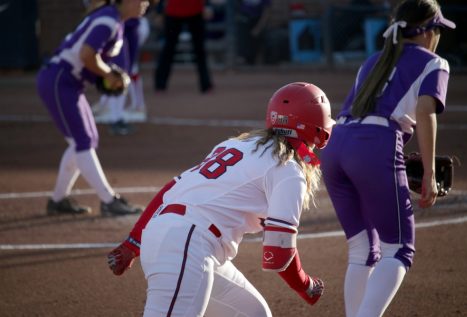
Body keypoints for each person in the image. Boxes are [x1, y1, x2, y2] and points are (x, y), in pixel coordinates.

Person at [107, 82, 336, 316]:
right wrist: (305, 285)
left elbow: (171, 189)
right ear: (317, 127)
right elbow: (277, 254)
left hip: (174, 237)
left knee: (253, 313)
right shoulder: (288, 169)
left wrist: (133, 243)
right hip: (188, 244)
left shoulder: (237, 144)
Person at [319, 1, 456, 316]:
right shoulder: (435, 63)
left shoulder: (372, 61)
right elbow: (424, 113)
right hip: (374, 145)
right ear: (424, 31)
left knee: (362, 249)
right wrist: (430, 172)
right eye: (437, 29)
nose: (438, 36)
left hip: (336, 145)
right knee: (398, 248)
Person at [36, 0, 151, 216]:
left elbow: (88, 57)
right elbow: (86, 55)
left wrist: (105, 74)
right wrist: (108, 74)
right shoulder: (108, 20)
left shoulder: (113, 19)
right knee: (82, 141)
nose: (146, 3)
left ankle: (58, 200)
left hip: (68, 82)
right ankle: (109, 200)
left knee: (87, 139)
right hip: (60, 80)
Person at [153, 0, 214, 93]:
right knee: (168, 49)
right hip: (174, 11)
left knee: (200, 50)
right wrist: (159, 11)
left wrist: (208, 6)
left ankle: (206, 84)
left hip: (195, 10)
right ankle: (160, 83)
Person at [234, 0, 272, 65]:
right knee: (242, 24)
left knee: (256, 38)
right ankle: (241, 57)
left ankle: (253, 61)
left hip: (258, 20)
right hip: (244, 18)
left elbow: (266, 13)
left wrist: (258, 28)